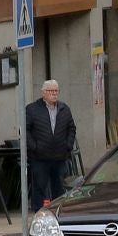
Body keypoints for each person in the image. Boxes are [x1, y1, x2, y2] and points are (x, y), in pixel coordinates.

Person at [24, 79, 76, 212]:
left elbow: (71, 128)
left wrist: (68, 145)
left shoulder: (64, 108)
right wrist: (34, 147)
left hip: (59, 156)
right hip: (40, 157)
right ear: (43, 93)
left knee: (59, 188)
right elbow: (25, 130)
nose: (54, 93)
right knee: (39, 188)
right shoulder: (32, 109)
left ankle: (58, 213)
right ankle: (39, 215)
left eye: (56, 91)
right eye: (50, 91)